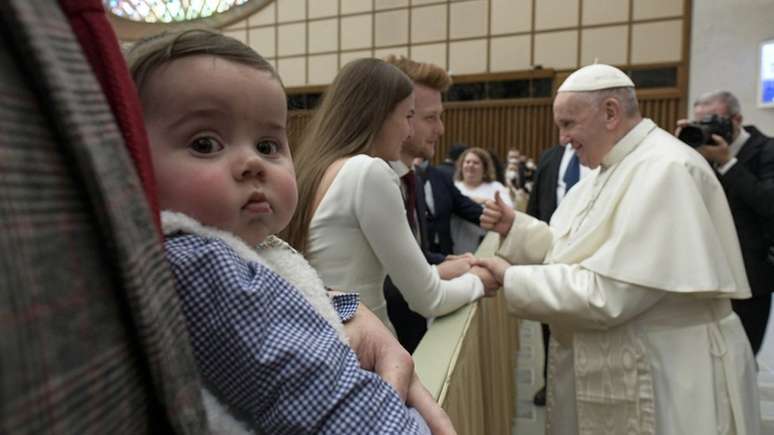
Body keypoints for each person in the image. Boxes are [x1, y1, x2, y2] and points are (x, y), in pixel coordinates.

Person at [128, 29, 453, 434]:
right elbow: (332, 407)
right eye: (205, 143)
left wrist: (347, 309)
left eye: (267, 146)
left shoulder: (247, 246)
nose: (252, 163)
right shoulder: (204, 265)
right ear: (129, 161)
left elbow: (301, 293)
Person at [476, 64, 760, 434]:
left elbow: (611, 294)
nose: (562, 138)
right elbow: (575, 249)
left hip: (669, 372)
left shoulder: (666, 169)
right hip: (632, 357)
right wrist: (518, 229)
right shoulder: (608, 168)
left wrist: (511, 277)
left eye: (568, 124)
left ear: (610, 112)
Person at [286, 59, 498, 333]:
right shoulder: (368, 171)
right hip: (367, 349)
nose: (409, 131)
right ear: (378, 115)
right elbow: (429, 298)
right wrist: (479, 281)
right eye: (408, 116)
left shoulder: (316, 168)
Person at [382, 55, 485, 352]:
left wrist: (447, 262)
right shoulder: (371, 179)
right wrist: (465, 276)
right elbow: (383, 284)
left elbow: (410, 254)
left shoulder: (409, 177)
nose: (440, 129)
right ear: (400, 115)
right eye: (430, 117)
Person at [676, 90, 774, 355]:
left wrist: (727, 162)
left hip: (752, 274)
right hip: (706, 271)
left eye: (714, 121)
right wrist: (679, 150)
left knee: (742, 356)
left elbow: (768, 204)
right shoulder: (697, 153)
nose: (707, 129)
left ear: (737, 119)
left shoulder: (766, 149)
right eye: (701, 122)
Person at [525, 143, 590, 406]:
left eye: (569, 123)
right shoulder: (550, 157)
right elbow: (535, 208)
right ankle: (549, 382)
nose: (564, 133)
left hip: (588, 258)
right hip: (551, 255)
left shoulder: (601, 159)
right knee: (549, 325)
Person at [451, 147, 512, 254]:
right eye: (467, 162)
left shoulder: (496, 187)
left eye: (476, 163)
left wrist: (484, 200)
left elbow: (508, 211)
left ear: (485, 168)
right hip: (456, 246)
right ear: (461, 166)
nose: (470, 165)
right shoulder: (454, 187)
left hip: (486, 246)